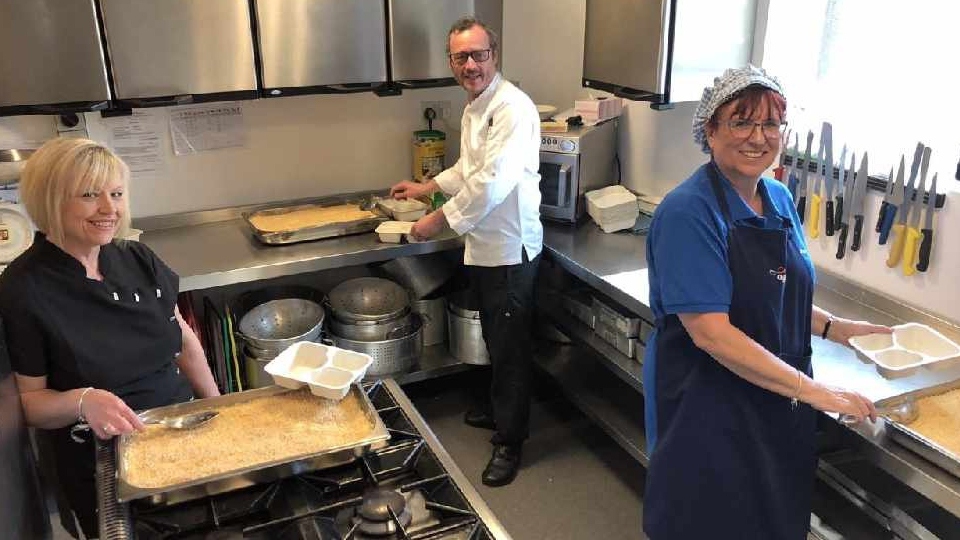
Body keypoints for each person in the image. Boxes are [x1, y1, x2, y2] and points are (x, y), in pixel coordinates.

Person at [641, 65, 890, 539]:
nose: (758, 137)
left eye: (770, 124)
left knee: (772, 521)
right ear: (710, 130)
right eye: (741, 121)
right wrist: (815, 392)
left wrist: (836, 327)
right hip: (709, 408)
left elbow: (774, 292)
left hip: (775, 400)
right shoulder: (687, 212)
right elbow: (711, 332)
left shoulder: (776, 196)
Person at [0, 137, 220, 538]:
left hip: (179, 431)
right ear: (49, 200)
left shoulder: (136, 257)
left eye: (116, 194)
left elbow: (183, 339)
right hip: (102, 457)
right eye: (89, 195)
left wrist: (221, 410)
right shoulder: (24, 288)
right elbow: (28, 403)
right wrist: (83, 400)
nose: (109, 209)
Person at [390, 16, 542, 487]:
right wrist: (427, 187)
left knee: (510, 349)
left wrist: (437, 220)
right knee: (496, 339)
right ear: (452, 62)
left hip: (509, 249)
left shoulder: (512, 108)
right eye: (461, 57)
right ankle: (500, 412)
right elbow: (467, 168)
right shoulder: (477, 105)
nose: (470, 64)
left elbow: (491, 182)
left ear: (494, 56)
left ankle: (510, 442)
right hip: (483, 244)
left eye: (479, 54)